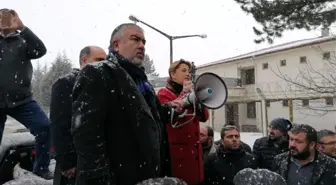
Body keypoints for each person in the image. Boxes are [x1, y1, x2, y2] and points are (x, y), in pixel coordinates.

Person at [71, 23, 184, 185]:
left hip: (147, 176)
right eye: (135, 39)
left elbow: (151, 117)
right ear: (116, 45)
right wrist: (100, 178)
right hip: (117, 178)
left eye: (144, 42)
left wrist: (170, 109)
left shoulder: (142, 81)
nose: (141, 46)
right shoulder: (97, 73)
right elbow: (85, 133)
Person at [0, 9, 51, 179]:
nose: (4, 21)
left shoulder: (22, 40)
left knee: (44, 127)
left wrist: (22, 27)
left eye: (8, 17)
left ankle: (41, 169)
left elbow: (40, 50)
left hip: (22, 101)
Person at [50, 46, 106, 185]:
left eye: (105, 61)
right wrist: (67, 162)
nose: (103, 65)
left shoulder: (101, 85)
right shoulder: (66, 83)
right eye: (99, 60)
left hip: (96, 164)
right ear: (84, 60)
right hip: (74, 165)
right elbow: (59, 125)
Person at [157, 59, 209, 185]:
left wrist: (199, 99)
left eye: (189, 71)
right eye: (183, 70)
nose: (188, 74)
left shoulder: (193, 92)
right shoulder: (164, 93)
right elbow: (169, 115)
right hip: (178, 156)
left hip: (194, 156)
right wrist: (184, 95)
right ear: (172, 74)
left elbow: (204, 117)